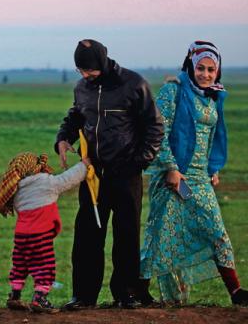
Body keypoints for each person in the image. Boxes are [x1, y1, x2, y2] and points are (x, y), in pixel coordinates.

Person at [139, 41, 248, 306]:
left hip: (200, 178)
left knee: (216, 231)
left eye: (212, 69)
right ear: (190, 66)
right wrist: (171, 169)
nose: (206, 74)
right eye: (200, 68)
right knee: (162, 234)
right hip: (172, 177)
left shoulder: (214, 95)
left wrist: (213, 168)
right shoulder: (173, 91)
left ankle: (236, 292)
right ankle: (140, 291)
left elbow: (213, 134)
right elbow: (158, 132)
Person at [55, 39, 164, 310]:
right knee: (87, 235)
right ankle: (83, 296)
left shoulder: (134, 84)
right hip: (93, 173)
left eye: (89, 70)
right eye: (80, 70)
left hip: (126, 172)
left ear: (102, 63)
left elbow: (155, 126)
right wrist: (63, 138)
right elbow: (76, 117)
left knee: (127, 234)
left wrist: (139, 162)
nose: (85, 75)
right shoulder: (82, 88)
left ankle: (126, 294)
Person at [0, 152, 89, 313]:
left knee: (20, 265)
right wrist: (84, 165)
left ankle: (15, 295)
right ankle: (40, 298)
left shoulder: (17, 189)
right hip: (40, 235)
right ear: (36, 168)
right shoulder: (46, 183)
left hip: (21, 236)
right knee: (45, 266)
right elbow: (67, 179)